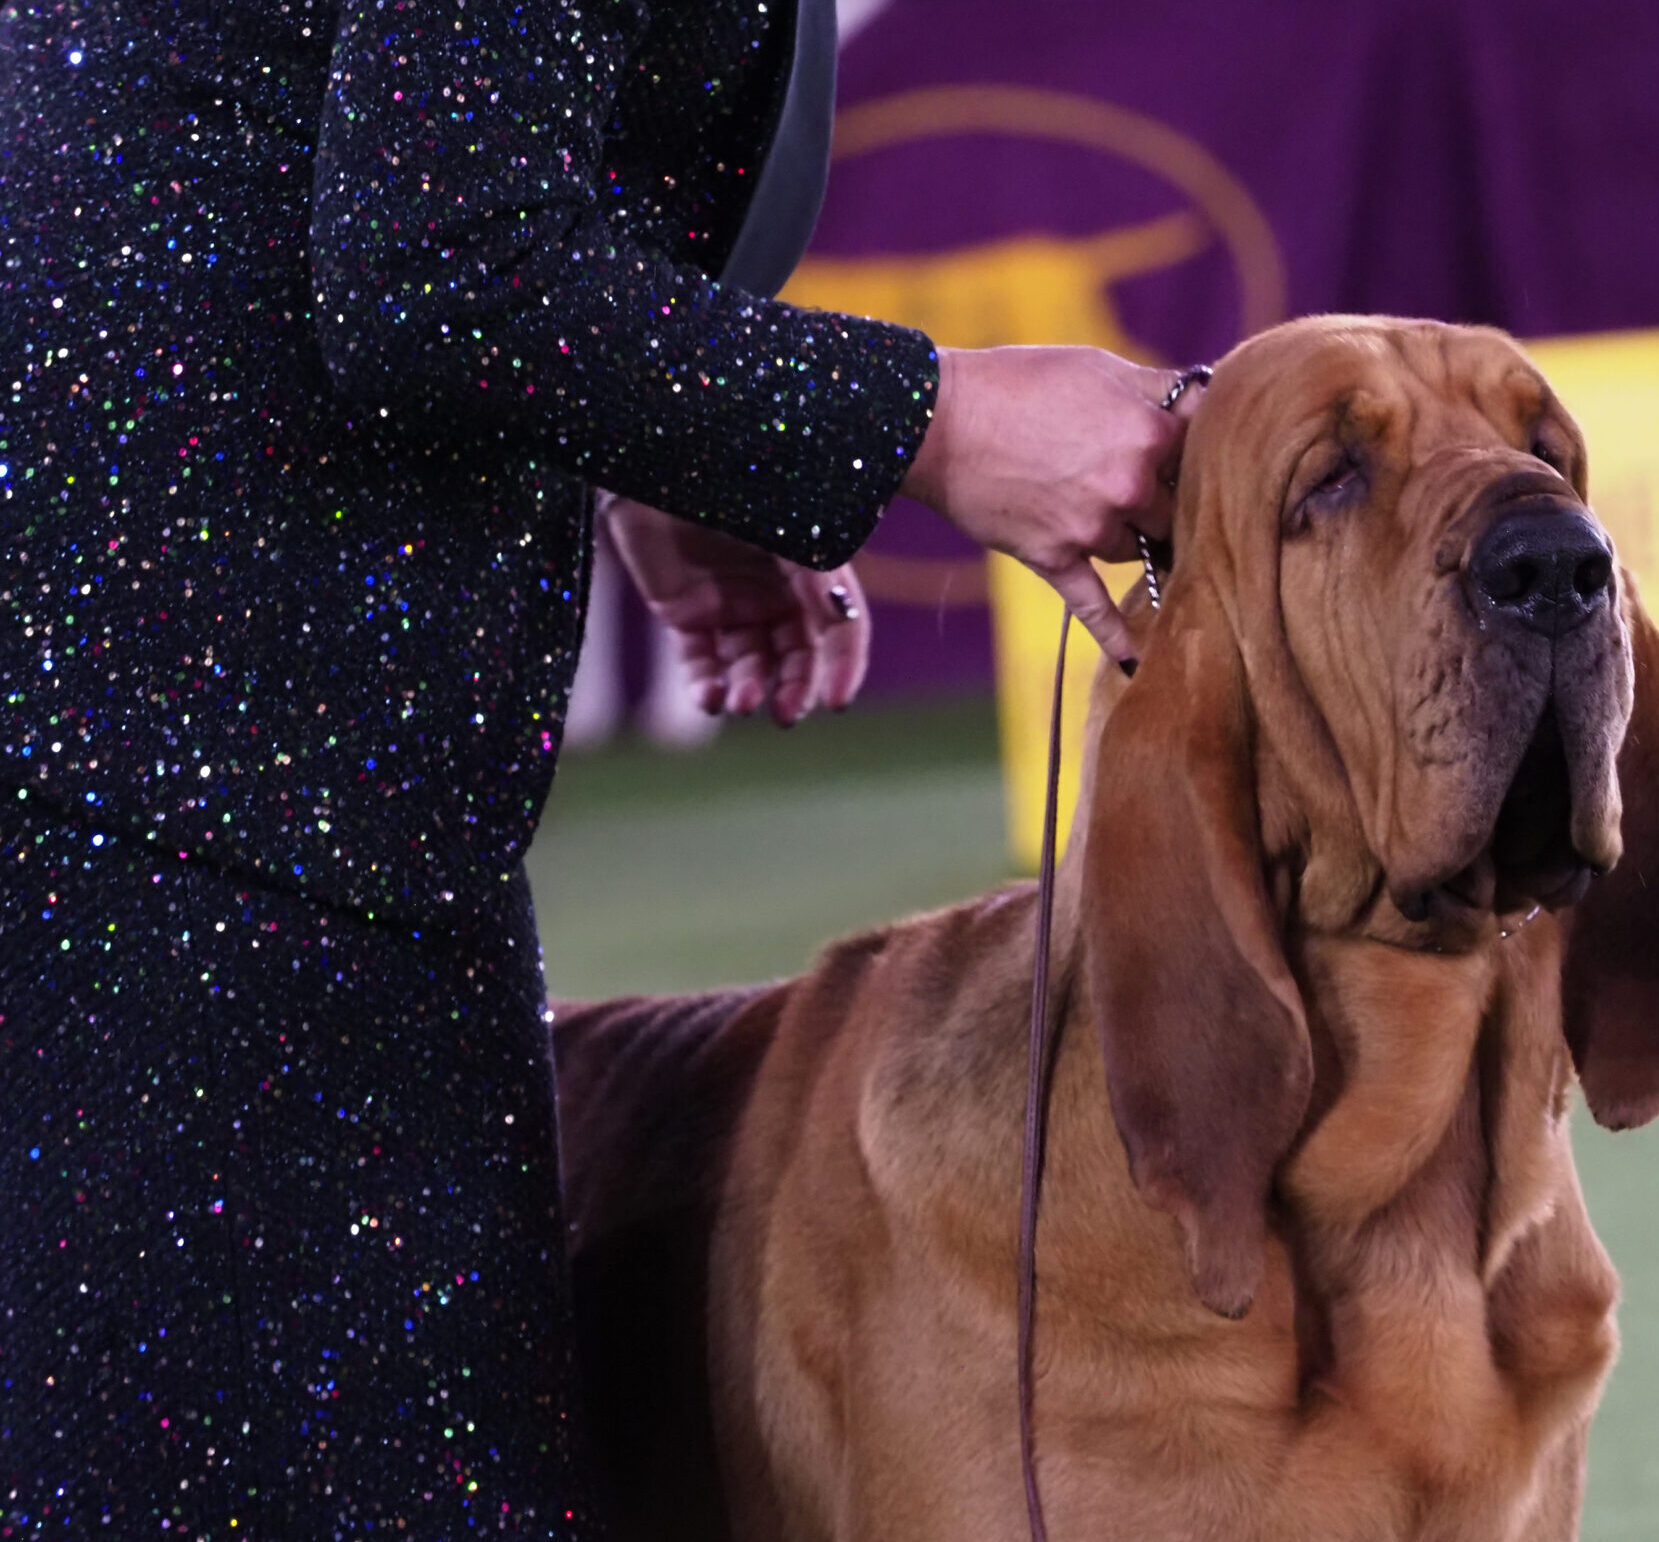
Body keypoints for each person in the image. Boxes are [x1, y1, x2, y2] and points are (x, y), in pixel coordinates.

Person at [0, 0, 1182, 1534]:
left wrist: (665, 449)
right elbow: (439, 271)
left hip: (182, 730)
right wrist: (937, 419)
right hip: (165, 772)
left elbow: (336, 146)